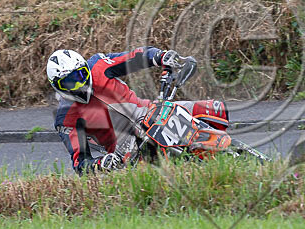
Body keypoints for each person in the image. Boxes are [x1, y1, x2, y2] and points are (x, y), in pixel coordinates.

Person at [47, 47, 230, 175]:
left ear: (86, 68)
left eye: (81, 75)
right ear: (58, 87)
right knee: (160, 168)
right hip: (125, 147)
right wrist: (101, 164)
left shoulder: (99, 65)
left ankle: (228, 157)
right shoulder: (65, 116)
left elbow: (135, 57)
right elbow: (80, 162)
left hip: (150, 110)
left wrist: (160, 56)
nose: (79, 84)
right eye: (70, 82)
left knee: (216, 109)